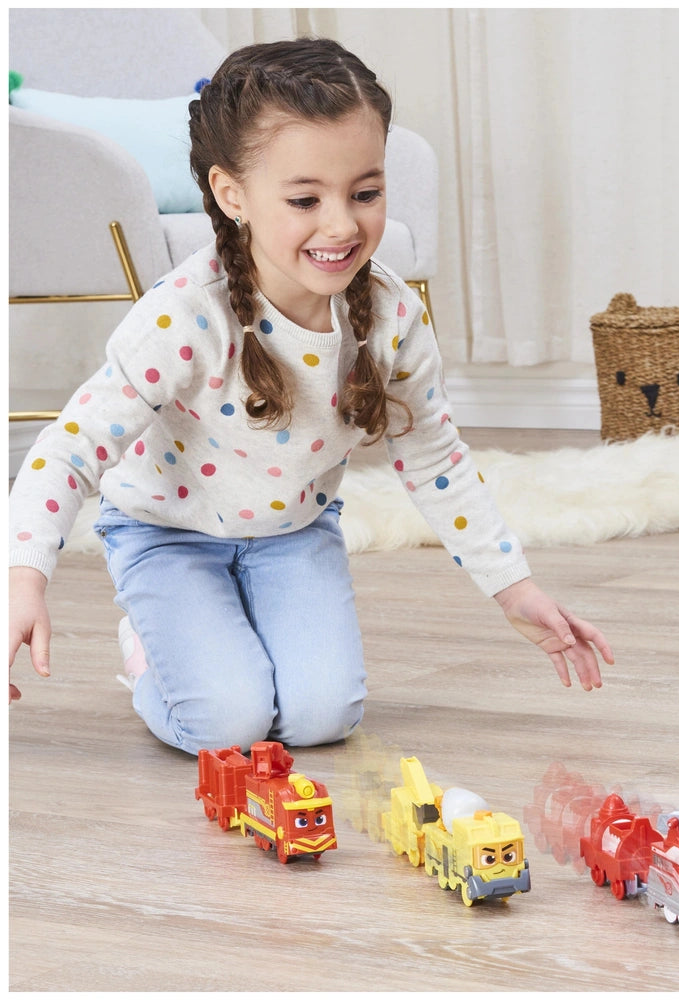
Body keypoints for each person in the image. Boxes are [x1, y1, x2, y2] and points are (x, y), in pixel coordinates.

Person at [7, 38, 613, 755]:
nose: (342, 225)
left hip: (292, 536)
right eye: (305, 199)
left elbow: (436, 459)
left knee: (323, 719)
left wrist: (516, 590)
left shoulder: (391, 317)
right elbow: (69, 449)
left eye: (366, 192)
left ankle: (230, 635)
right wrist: (23, 578)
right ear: (233, 195)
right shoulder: (181, 318)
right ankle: (148, 644)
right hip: (167, 537)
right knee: (228, 726)